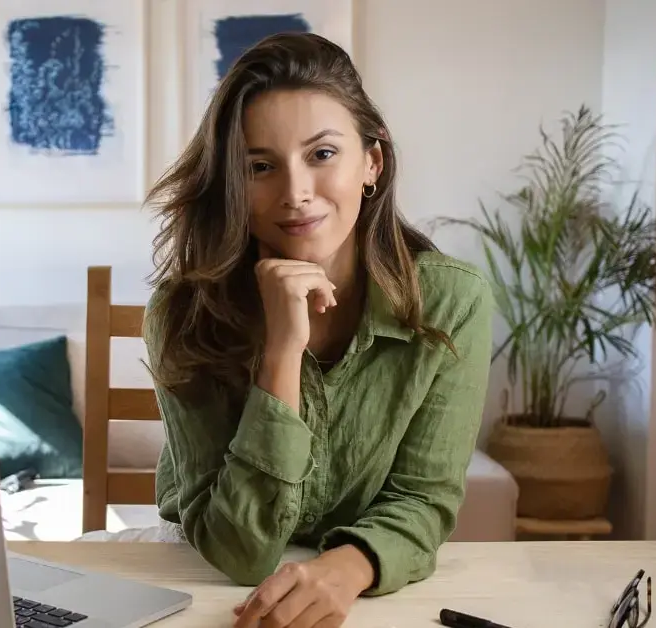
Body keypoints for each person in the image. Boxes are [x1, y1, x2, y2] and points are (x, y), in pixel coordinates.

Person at [141, 32, 494, 627]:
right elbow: (241, 551)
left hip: (377, 601)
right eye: (260, 166)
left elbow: (422, 501)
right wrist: (282, 349)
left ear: (371, 163)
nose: (296, 194)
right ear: (233, 182)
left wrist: (345, 570)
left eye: (322, 154)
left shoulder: (452, 301)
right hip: (207, 594)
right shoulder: (183, 313)